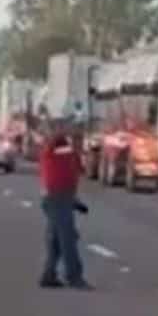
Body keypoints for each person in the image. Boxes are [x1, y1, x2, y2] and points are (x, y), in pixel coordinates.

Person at [38, 118, 91, 290]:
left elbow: (74, 170)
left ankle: (49, 275)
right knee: (68, 238)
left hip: (62, 197)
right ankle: (74, 276)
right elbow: (57, 138)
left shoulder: (66, 150)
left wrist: (74, 201)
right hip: (56, 197)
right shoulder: (52, 146)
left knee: (56, 239)